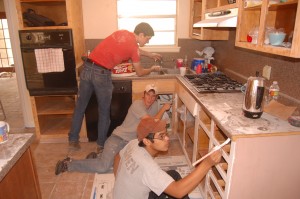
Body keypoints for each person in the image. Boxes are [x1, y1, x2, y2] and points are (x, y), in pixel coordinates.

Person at [68, 22, 162, 152]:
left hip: (87, 68)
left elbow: (133, 49)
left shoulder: (122, 33)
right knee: (104, 111)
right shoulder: (133, 48)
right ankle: (101, 146)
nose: (148, 41)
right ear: (141, 35)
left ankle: (73, 140)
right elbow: (139, 72)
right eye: (147, 38)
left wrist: (150, 55)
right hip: (101, 74)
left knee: (80, 107)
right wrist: (151, 69)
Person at [55, 84, 171, 175]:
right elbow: (150, 123)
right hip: (118, 139)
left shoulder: (155, 106)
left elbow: (155, 125)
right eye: (148, 95)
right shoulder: (137, 104)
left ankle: (96, 157)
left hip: (131, 143)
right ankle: (68, 164)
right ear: (143, 94)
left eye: (153, 96)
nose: (150, 99)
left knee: (124, 167)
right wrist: (164, 108)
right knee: (103, 167)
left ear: (156, 98)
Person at [113, 118, 222, 199]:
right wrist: (207, 163)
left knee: (173, 175)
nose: (167, 138)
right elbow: (178, 192)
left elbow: (118, 156)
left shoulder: (134, 143)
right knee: (177, 188)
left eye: (166, 134)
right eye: (161, 136)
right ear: (147, 141)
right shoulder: (147, 166)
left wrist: (121, 181)